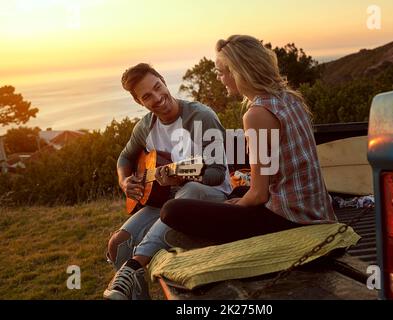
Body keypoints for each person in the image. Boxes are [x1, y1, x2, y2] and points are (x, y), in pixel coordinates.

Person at [160, 35, 337, 242]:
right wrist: (242, 199)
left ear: (237, 72)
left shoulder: (257, 115)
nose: (219, 79)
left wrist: (240, 204)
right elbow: (267, 178)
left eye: (220, 72)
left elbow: (259, 195)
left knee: (171, 210)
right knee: (239, 190)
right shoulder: (289, 97)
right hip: (314, 208)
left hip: (291, 220)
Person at [103, 63, 232, 300]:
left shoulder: (201, 117)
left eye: (157, 87)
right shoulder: (145, 127)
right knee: (118, 244)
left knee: (191, 188)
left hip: (210, 196)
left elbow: (217, 174)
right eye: (147, 96)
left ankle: (134, 264)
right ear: (139, 102)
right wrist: (124, 182)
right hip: (167, 199)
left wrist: (183, 175)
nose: (157, 98)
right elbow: (125, 157)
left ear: (163, 79)